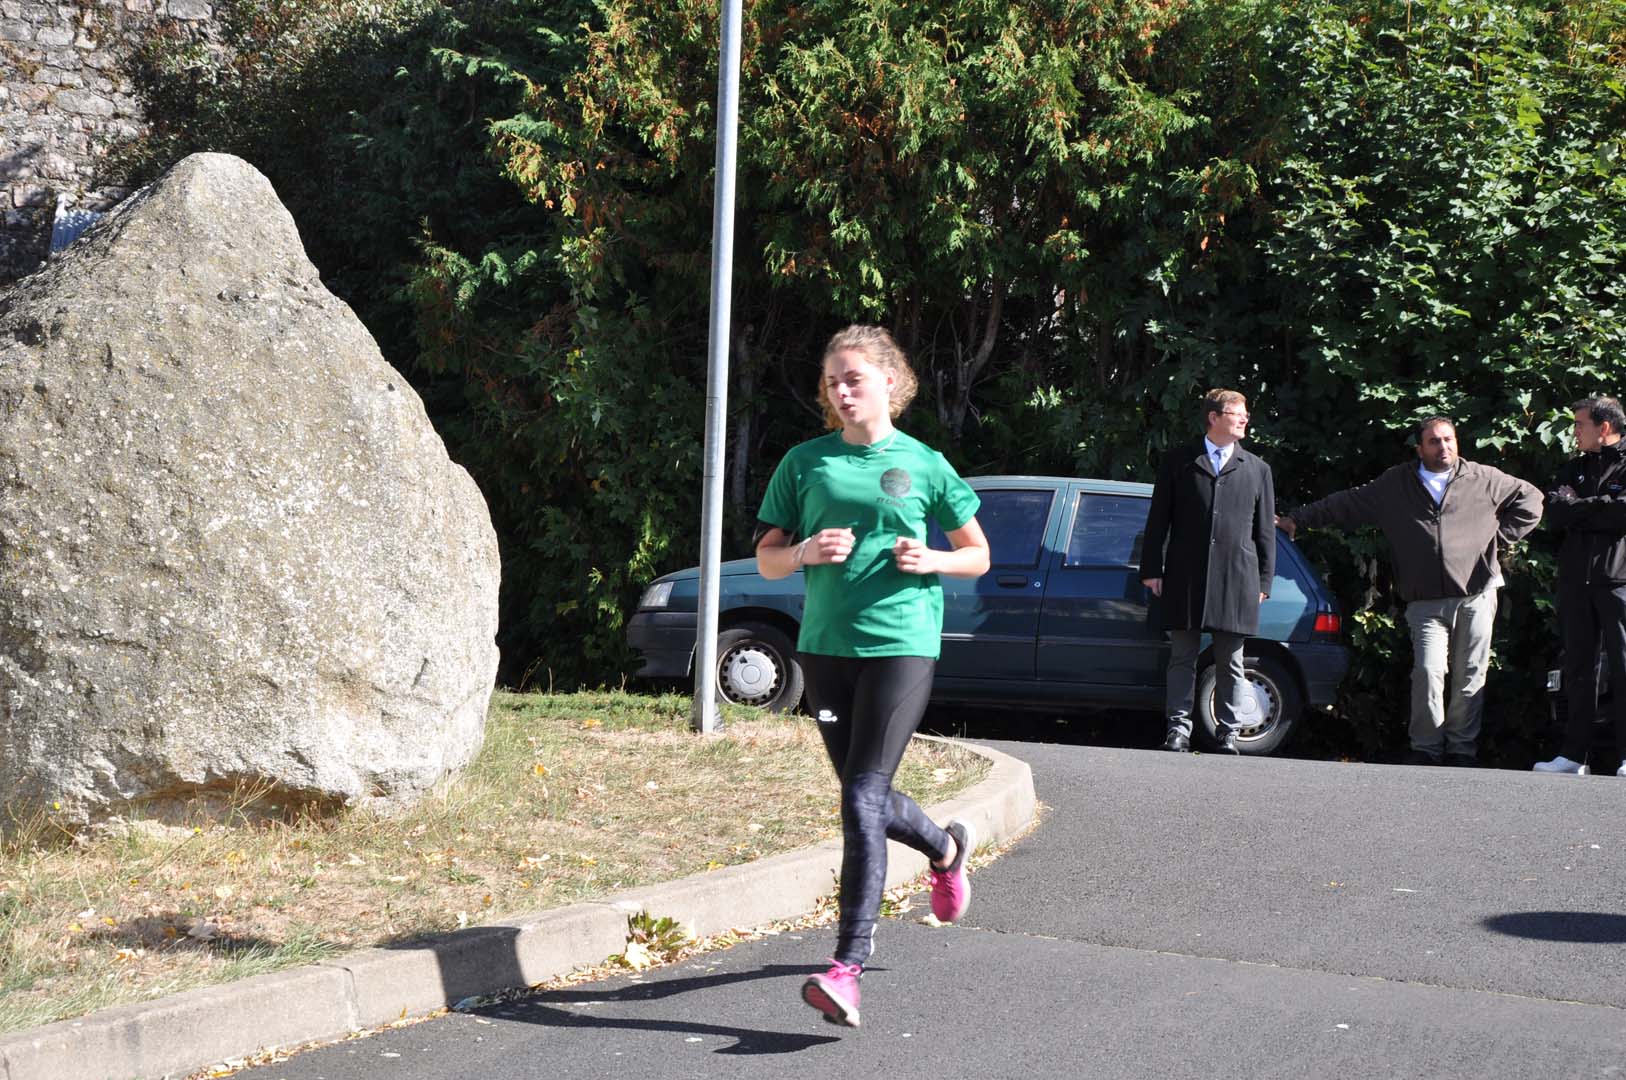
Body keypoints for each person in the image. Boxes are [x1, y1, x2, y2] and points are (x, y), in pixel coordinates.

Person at [754, 324, 991, 1028]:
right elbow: (766, 556)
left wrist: (934, 561)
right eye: (832, 382)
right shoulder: (806, 463)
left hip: (902, 645)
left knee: (862, 794)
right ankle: (946, 851)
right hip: (826, 649)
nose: (842, 389)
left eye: (854, 377)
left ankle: (846, 968)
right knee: (868, 797)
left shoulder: (926, 464)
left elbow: (976, 554)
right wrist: (802, 553)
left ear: (891, 380)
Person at [1278, 418, 1542, 766]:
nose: (1443, 447)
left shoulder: (1483, 478)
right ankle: (1427, 749)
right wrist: (1297, 519)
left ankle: (1462, 750)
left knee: (1470, 675)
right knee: (1429, 671)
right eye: (1434, 441)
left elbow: (1532, 499)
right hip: (1424, 600)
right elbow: (1347, 503)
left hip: (1476, 594)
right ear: (1419, 448)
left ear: (1457, 442)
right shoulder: (1396, 484)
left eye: (1448, 439)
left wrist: (1498, 542)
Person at [1141, 389, 1276, 754]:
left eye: (1245, 413)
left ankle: (1228, 731)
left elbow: (1264, 531)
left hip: (1237, 579)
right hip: (1185, 575)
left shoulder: (1258, 469)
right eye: (1237, 413)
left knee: (1231, 660)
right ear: (1214, 418)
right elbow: (1158, 521)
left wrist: (1264, 581)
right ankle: (1178, 729)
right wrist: (1152, 569)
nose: (1245, 419)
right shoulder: (1179, 461)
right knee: (1182, 656)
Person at [1534, 396, 1626, 776]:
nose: (1574, 432)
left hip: (1619, 578)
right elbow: (1553, 511)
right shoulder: (1572, 468)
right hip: (1576, 580)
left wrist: (1581, 506)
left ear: (1603, 427)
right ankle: (1574, 755)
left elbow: (1622, 513)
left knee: (1624, 666)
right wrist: (1600, 505)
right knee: (1578, 668)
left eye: (1580, 425)